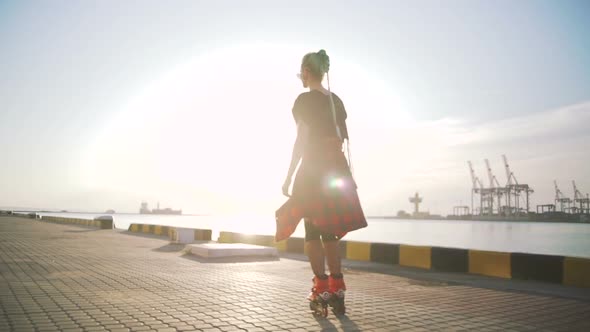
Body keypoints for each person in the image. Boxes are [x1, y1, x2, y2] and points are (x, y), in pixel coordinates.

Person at [275, 49, 367, 316]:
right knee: (332, 232)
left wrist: (289, 175)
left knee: (313, 232)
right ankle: (338, 290)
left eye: (300, 74)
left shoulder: (303, 100)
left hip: (314, 170)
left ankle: (321, 289)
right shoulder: (336, 100)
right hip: (337, 170)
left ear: (306, 72)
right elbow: (343, 139)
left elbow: (301, 140)